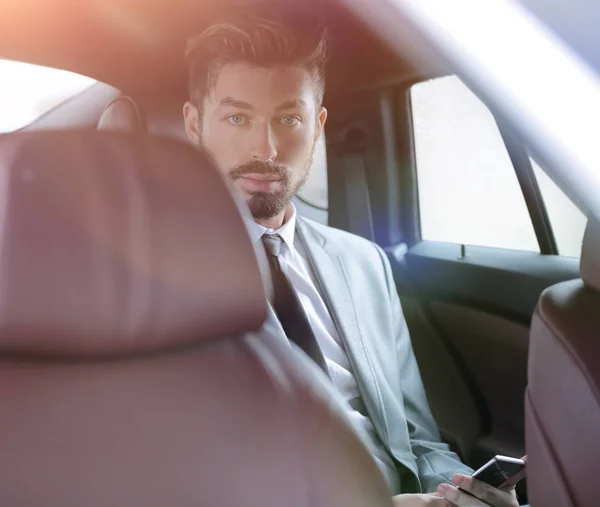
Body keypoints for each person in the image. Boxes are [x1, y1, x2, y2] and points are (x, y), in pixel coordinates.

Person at [182, 14, 521, 507]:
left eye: (289, 118)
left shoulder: (363, 263)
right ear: (195, 124)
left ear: (318, 124)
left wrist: (464, 492)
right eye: (237, 118)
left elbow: (417, 442)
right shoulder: (150, 285)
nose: (267, 147)